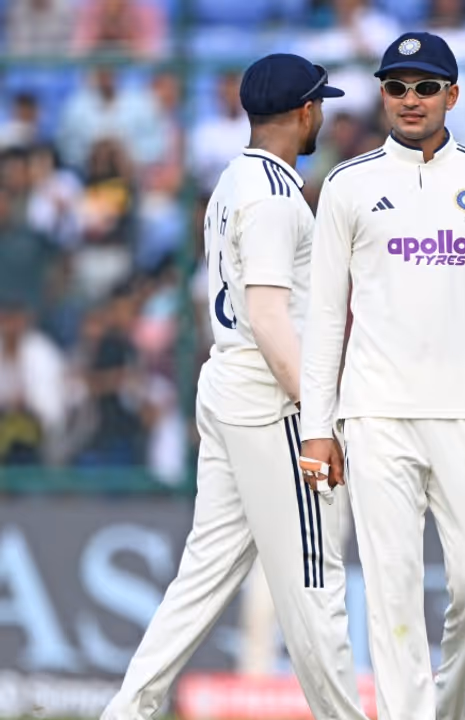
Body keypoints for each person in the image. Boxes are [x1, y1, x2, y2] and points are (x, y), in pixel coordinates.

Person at [297, 32, 465, 720]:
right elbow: (327, 316)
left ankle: (442, 711)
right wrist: (318, 428)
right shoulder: (348, 185)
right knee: (391, 596)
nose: (410, 100)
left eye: (425, 87)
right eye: (396, 86)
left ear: (454, 95)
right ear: (381, 93)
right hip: (376, 415)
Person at [100, 54, 366, 720]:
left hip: (227, 382)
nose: (322, 116)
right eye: (319, 105)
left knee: (204, 573)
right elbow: (272, 319)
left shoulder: (232, 181)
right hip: (269, 398)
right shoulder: (276, 199)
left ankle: (126, 711)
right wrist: (318, 418)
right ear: (306, 111)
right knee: (314, 581)